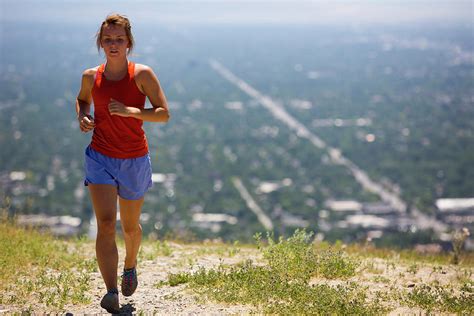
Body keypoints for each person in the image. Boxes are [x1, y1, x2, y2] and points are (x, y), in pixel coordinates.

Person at [75, 13, 170, 313]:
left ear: (129, 42)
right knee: (105, 224)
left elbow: (163, 113)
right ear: (100, 43)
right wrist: (82, 116)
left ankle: (130, 265)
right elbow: (82, 99)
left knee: (130, 228)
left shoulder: (142, 75)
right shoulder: (91, 76)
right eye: (107, 39)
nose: (113, 44)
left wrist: (131, 111)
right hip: (100, 157)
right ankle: (111, 292)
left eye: (118, 39)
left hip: (133, 160)